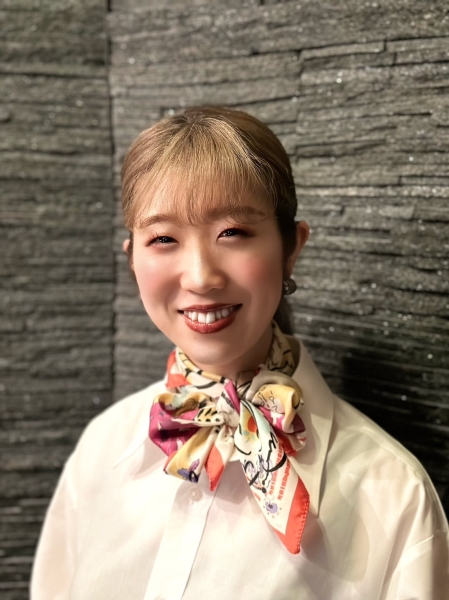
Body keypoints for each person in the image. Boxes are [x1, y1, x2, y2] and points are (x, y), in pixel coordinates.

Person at [31, 106, 449, 599]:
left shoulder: (394, 496)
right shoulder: (101, 449)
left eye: (232, 232)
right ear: (133, 260)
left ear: (291, 248)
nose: (201, 276)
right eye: (163, 238)